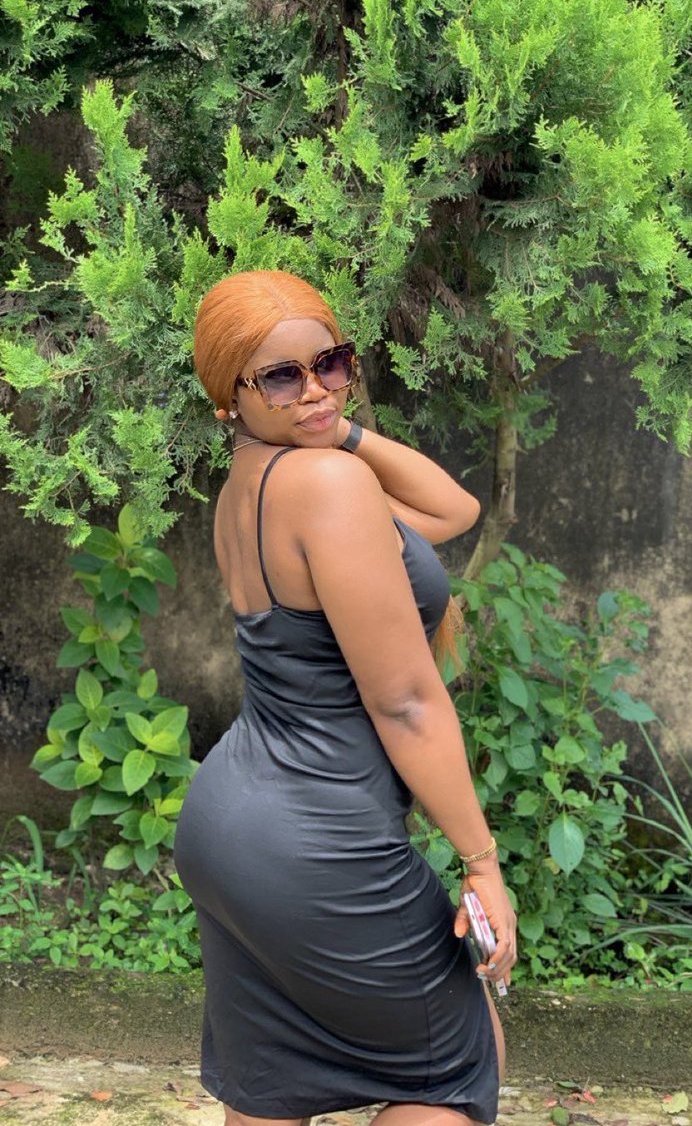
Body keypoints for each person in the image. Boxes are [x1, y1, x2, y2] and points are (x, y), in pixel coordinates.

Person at [173, 269, 518, 1126]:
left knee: (272, 1084)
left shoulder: (255, 486)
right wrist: (481, 862)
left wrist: (333, 425)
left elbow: (453, 509)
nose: (316, 390)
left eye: (331, 364)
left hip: (231, 831)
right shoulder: (325, 488)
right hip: (316, 839)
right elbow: (405, 702)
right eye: (281, 377)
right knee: (451, 1070)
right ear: (227, 398)